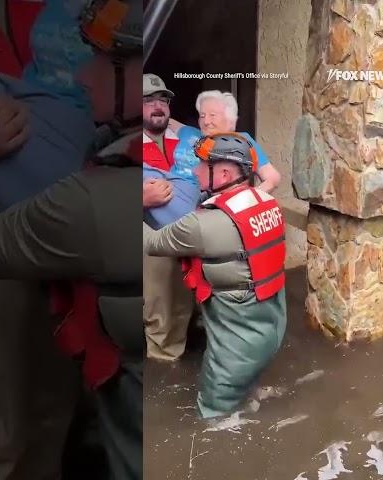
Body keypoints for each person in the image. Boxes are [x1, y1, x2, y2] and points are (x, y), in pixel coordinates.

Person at [0, 0, 144, 478]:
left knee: (58, 412)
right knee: (3, 427)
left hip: (60, 233)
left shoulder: (92, 198)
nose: (82, 77)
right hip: (13, 248)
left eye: (101, 63)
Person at [143, 133, 287, 419]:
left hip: (235, 346)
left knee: (212, 418)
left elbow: (151, 243)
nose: (195, 172)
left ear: (223, 173)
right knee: (246, 395)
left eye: (201, 165)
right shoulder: (266, 202)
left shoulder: (201, 224)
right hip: (271, 327)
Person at [141, 73, 200, 362]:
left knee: (189, 305)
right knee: (162, 312)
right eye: (147, 100)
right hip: (156, 238)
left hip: (198, 235)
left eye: (162, 100)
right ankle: (162, 368)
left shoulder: (188, 138)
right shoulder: (120, 147)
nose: (157, 106)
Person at [168, 90, 282, 193]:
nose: (206, 121)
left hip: (200, 205)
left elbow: (272, 179)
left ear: (229, 118)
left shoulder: (240, 142)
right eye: (202, 115)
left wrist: (245, 202)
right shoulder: (188, 132)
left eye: (213, 115)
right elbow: (163, 120)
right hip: (165, 189)